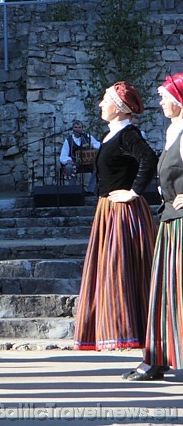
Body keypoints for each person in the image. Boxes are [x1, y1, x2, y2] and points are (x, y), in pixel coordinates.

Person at [73, 81, 157, 352]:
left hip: (122, 213)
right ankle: (111, 331)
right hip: (107, 211)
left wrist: (133, 192)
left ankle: (126, 330)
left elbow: (148, 158)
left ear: (120, 109)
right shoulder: (113, 134)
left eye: (106, 100)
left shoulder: (128, 134)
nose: (100, 104)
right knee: (106, 271)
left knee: (120, 271)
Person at [122, 73, 183, 381]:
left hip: (182, 225)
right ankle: (159, 357)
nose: (160, 102)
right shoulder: (175, 131)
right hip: (170, 222)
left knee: (178, 292)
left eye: (165, 97)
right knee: (165, 292)